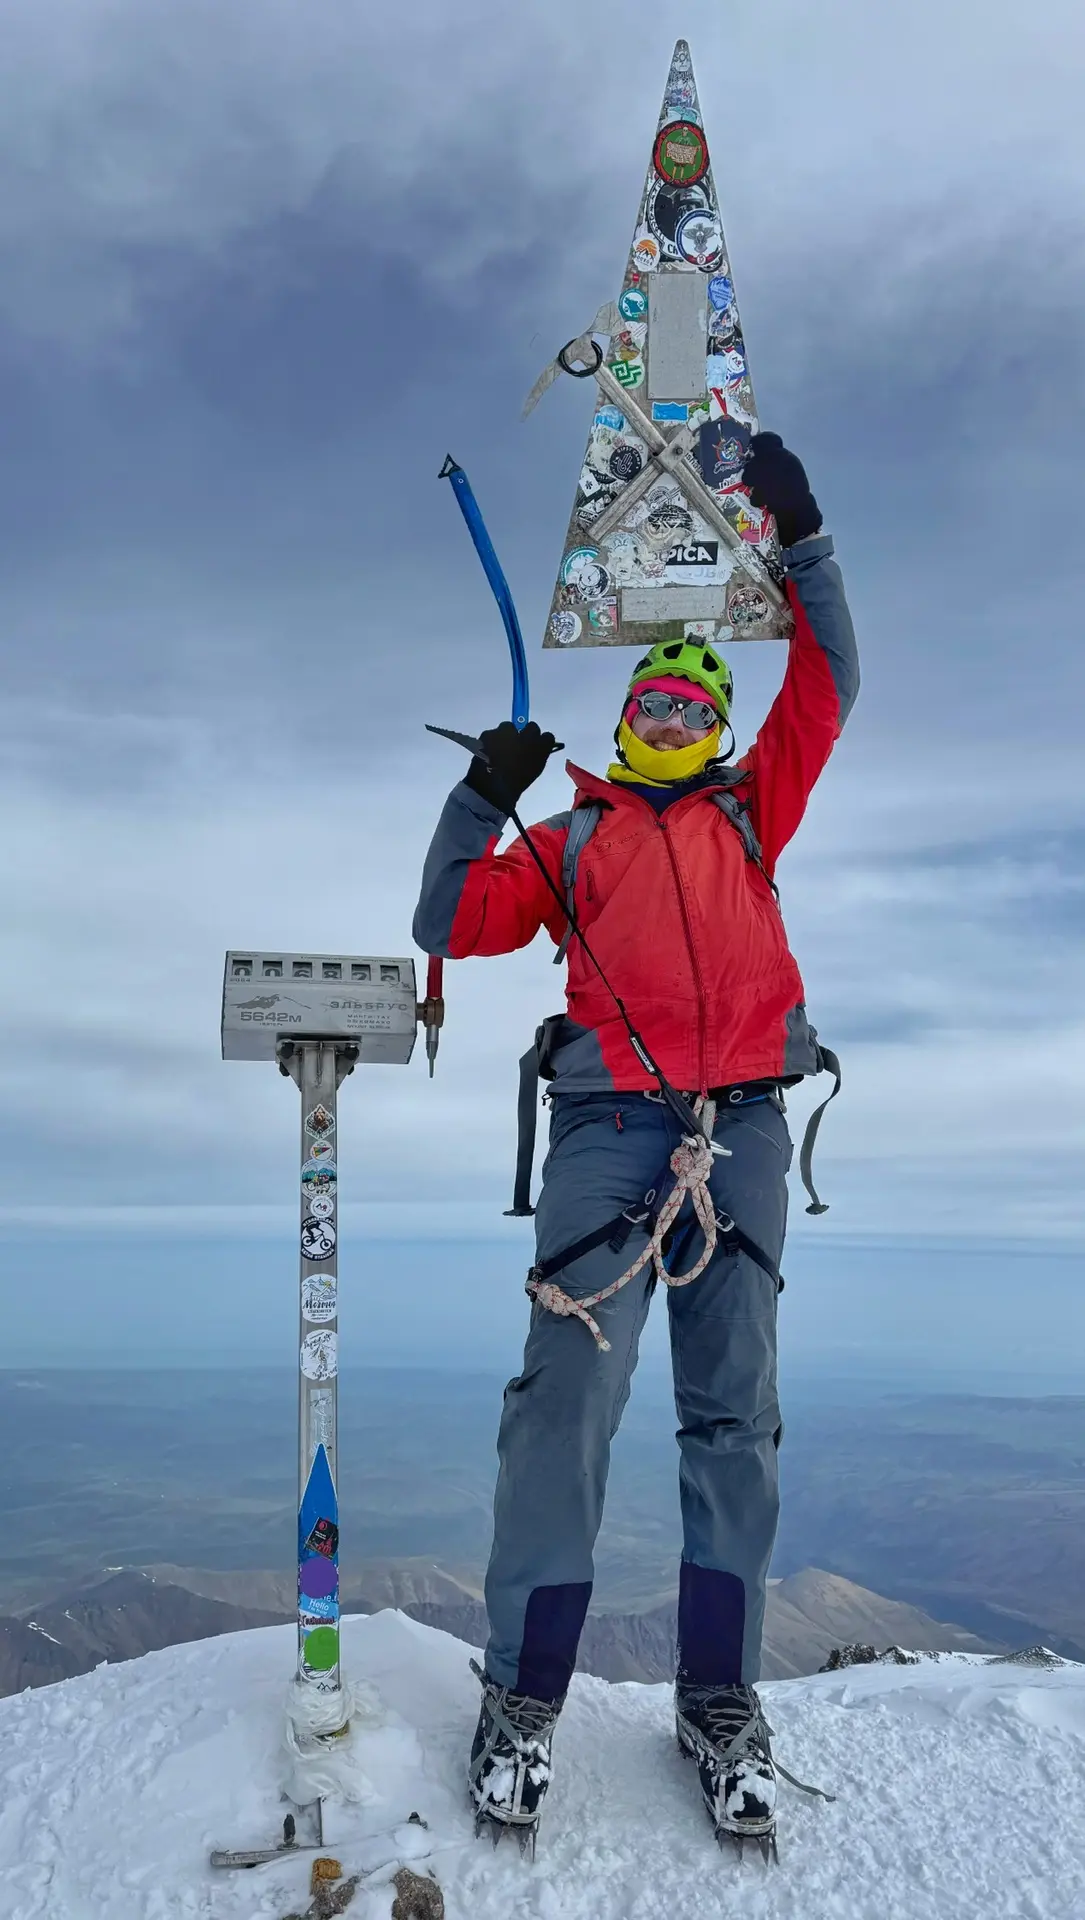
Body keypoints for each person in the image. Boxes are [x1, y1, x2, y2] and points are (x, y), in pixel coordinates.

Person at [413, 433, 859, 1856]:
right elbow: (444, 921)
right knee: (566, 1407)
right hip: (611, 1131)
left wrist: (802, 537)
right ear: (624, 719)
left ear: (716, 726)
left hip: (742, 1130)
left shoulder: (753, 810)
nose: (667, 713)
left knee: (736, 1415)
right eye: (651, 697)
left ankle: (719, 1700)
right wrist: (482, 797)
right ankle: (524, 1697)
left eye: (692, 700)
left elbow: (829, 682)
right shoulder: (569, 841)